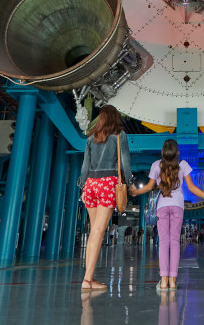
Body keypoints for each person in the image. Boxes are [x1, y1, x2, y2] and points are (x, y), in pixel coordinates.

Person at [130, 139, 204, 291]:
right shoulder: (183, 165)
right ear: (178, 153)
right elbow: (191, 187)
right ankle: (173, 281)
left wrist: (135, 191)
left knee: (164, 242)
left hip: (162, 206)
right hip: (177, 206)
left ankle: (163, 281)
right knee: (175, 242)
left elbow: (150, 187)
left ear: (163, 153)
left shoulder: (156, 165)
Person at [78, 105, 131, 291]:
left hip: (91, 184)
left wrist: (82, 187)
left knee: (95, 232)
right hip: (108, 183)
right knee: (97, 233)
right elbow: (124, 161)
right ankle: (87, 279)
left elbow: (84, 166)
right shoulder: (119, 135)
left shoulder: (91, 138)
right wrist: (129, 183)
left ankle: (89, 278)